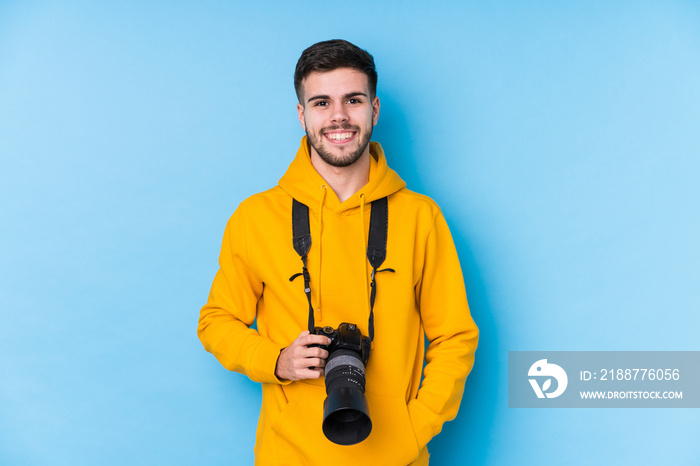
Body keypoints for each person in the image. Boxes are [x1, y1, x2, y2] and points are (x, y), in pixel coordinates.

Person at [198, 39, 479, 466]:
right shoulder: (255, 217)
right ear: (301, 114)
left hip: (396, 455)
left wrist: (415, 427)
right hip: (287, 454)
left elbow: (454, 337)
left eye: (353, 99)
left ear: (375, 109)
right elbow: (216, 321)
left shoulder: (422, 217)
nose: (339, 116)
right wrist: (277, 360)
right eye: (321, 102)